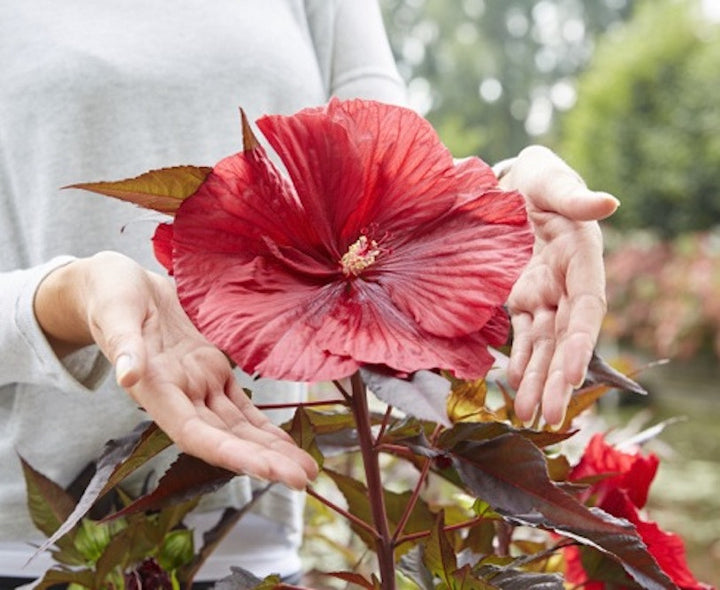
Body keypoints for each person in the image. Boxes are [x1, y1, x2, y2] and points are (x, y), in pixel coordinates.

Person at [0, 0, 617, 585]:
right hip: (33, 561)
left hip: (258, 555)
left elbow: (393, 165)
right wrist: (63, 300)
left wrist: (503, 207)